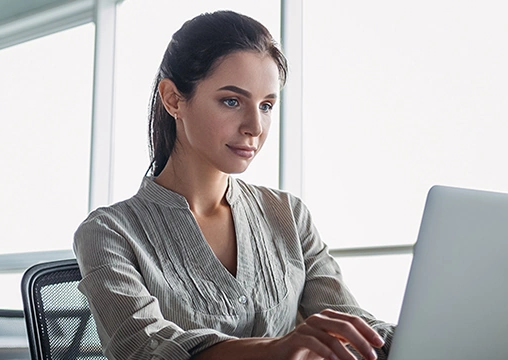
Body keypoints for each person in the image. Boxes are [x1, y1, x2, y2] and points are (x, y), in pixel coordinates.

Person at [73, 10, 395, 360]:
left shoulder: (289, 215)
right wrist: (276, 349)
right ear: (173, 99)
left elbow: (352, 326)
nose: (255, 126)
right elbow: (145, 348)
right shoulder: (109, 232)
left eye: (267, 105)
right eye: (231, 101)